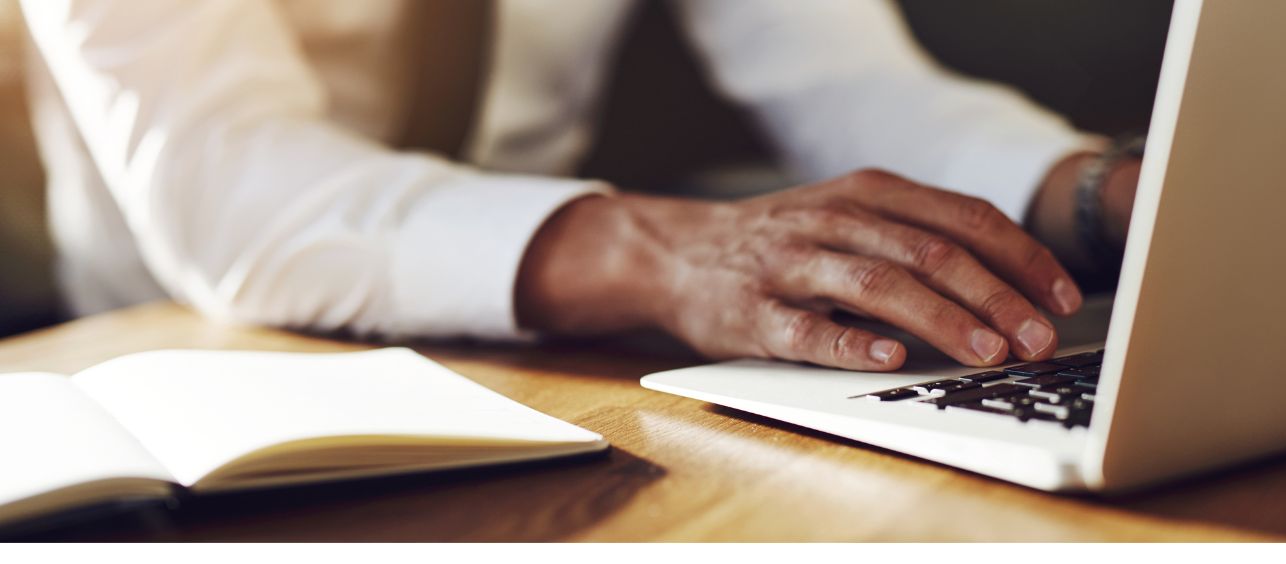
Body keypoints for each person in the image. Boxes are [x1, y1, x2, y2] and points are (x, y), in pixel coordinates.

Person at [21, 0, 1139, 371]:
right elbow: (228, 179)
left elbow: (840, 75)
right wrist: (658, 252)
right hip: (189, 350)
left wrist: (1093, 196)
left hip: (538, 355)